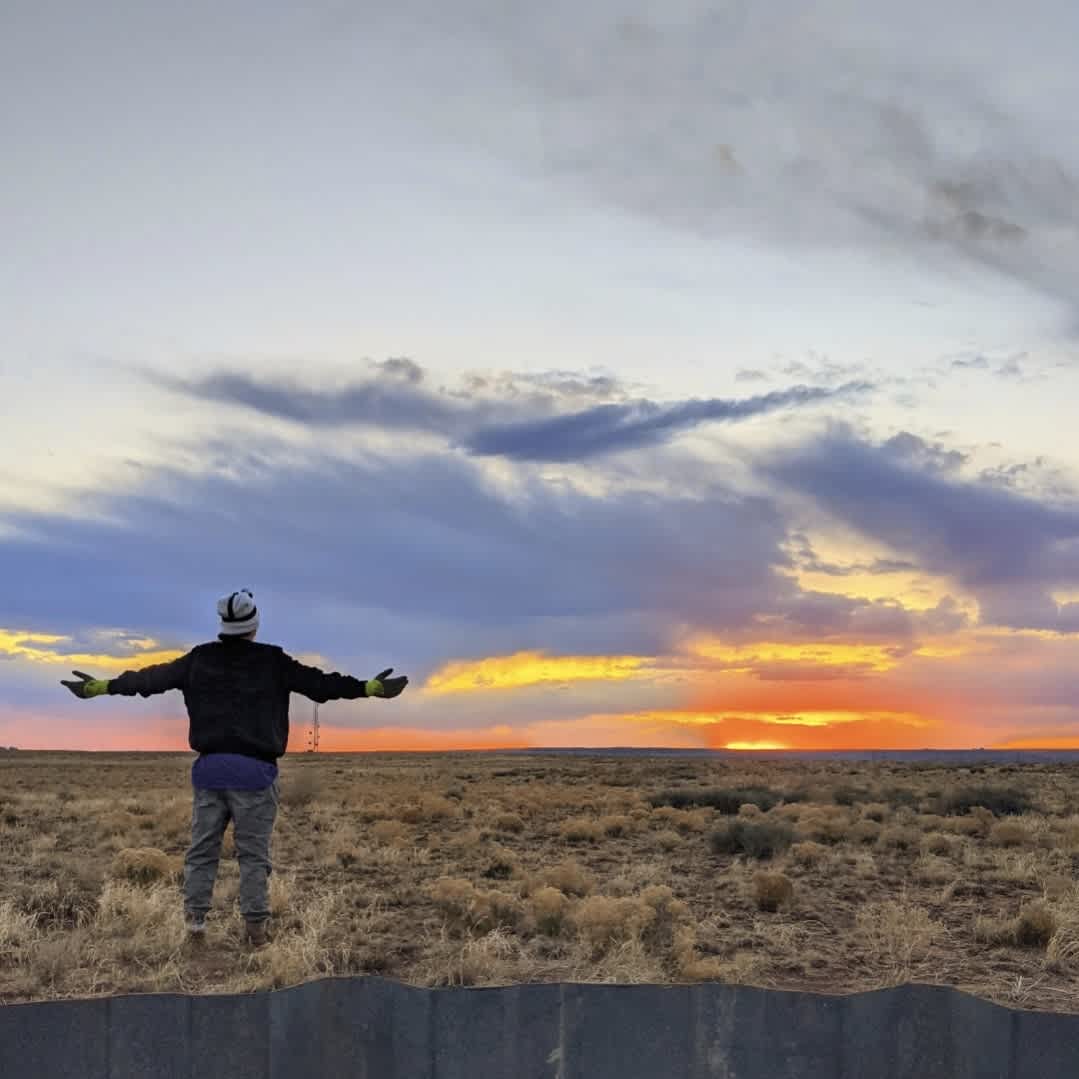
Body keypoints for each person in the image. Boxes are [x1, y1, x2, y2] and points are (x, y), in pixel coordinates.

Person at [60, 588, 408, 947]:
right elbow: (321, 685)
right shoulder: (273, 661)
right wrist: (370, 687)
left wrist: (99, 687)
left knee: (201, 853)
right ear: (254, 625)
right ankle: (255, 932)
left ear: (223, 625)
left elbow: (149, 680)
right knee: (253, 856)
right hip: (255, 776)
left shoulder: (199, 660)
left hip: (209, 772)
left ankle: (195, 929)